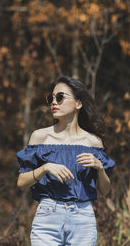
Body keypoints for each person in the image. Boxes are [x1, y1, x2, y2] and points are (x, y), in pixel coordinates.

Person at [16, 75, 115, 246]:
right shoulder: (40, 137)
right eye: (51, 98)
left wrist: (100, 168)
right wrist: (45, 168)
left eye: (60, 97)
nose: (54, 102)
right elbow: (21, 183)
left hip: (83, 220)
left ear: (78, 103)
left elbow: (105, 191)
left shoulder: (92, 142)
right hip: (47, 218)